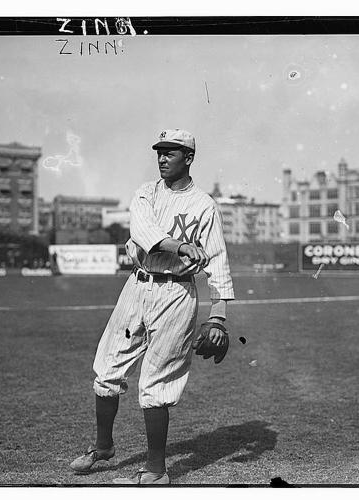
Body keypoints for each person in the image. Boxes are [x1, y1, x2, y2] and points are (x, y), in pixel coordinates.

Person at [69, 129, 235, 484]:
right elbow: (143, 230)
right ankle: (103, 447)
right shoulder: (145, 193)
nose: (162, 158)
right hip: (138, 285)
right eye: (159, 152)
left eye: (170, 153)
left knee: (156, 383)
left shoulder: (204, 205)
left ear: (188, 158)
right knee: (107, 370)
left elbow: (218, 262)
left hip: (176, 295)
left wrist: (218, 317)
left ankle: (157, 471)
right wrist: (180, 246)